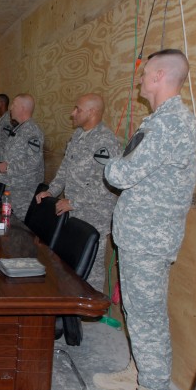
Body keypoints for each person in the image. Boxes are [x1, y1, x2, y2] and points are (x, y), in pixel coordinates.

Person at [93, 49, 196, 390]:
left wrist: (113, 165)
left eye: (144, 73)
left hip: (149, 239)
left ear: (158, 76)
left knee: (148, 316)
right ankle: (139, 372)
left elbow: (121, 174)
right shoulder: (158, 121)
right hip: (139, 235)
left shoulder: (169, 124)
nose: (139, 79)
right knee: (136, 311)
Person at [35, 93, 120, 292]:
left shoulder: (105, 141)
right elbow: (65, 168)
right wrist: (52, 191)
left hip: (94, 214)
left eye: (78, 109)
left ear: (92, 112)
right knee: (72, 264)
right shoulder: (78, 136)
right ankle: (74, 306)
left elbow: (105, 183)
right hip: (74, 211)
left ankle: (90, 313)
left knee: (92, 267)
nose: (73, 113)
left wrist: (73, 202)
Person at [0, 94, 44, 220]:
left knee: (20, 229)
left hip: (25, 190)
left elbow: (33, 162)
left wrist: (9, 167)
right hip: (14, 186)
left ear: (22, 108)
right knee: (11, 226)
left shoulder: (32, 131)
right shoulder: (19, 129)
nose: (11, 108)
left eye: (14, 105)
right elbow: (8, 153)